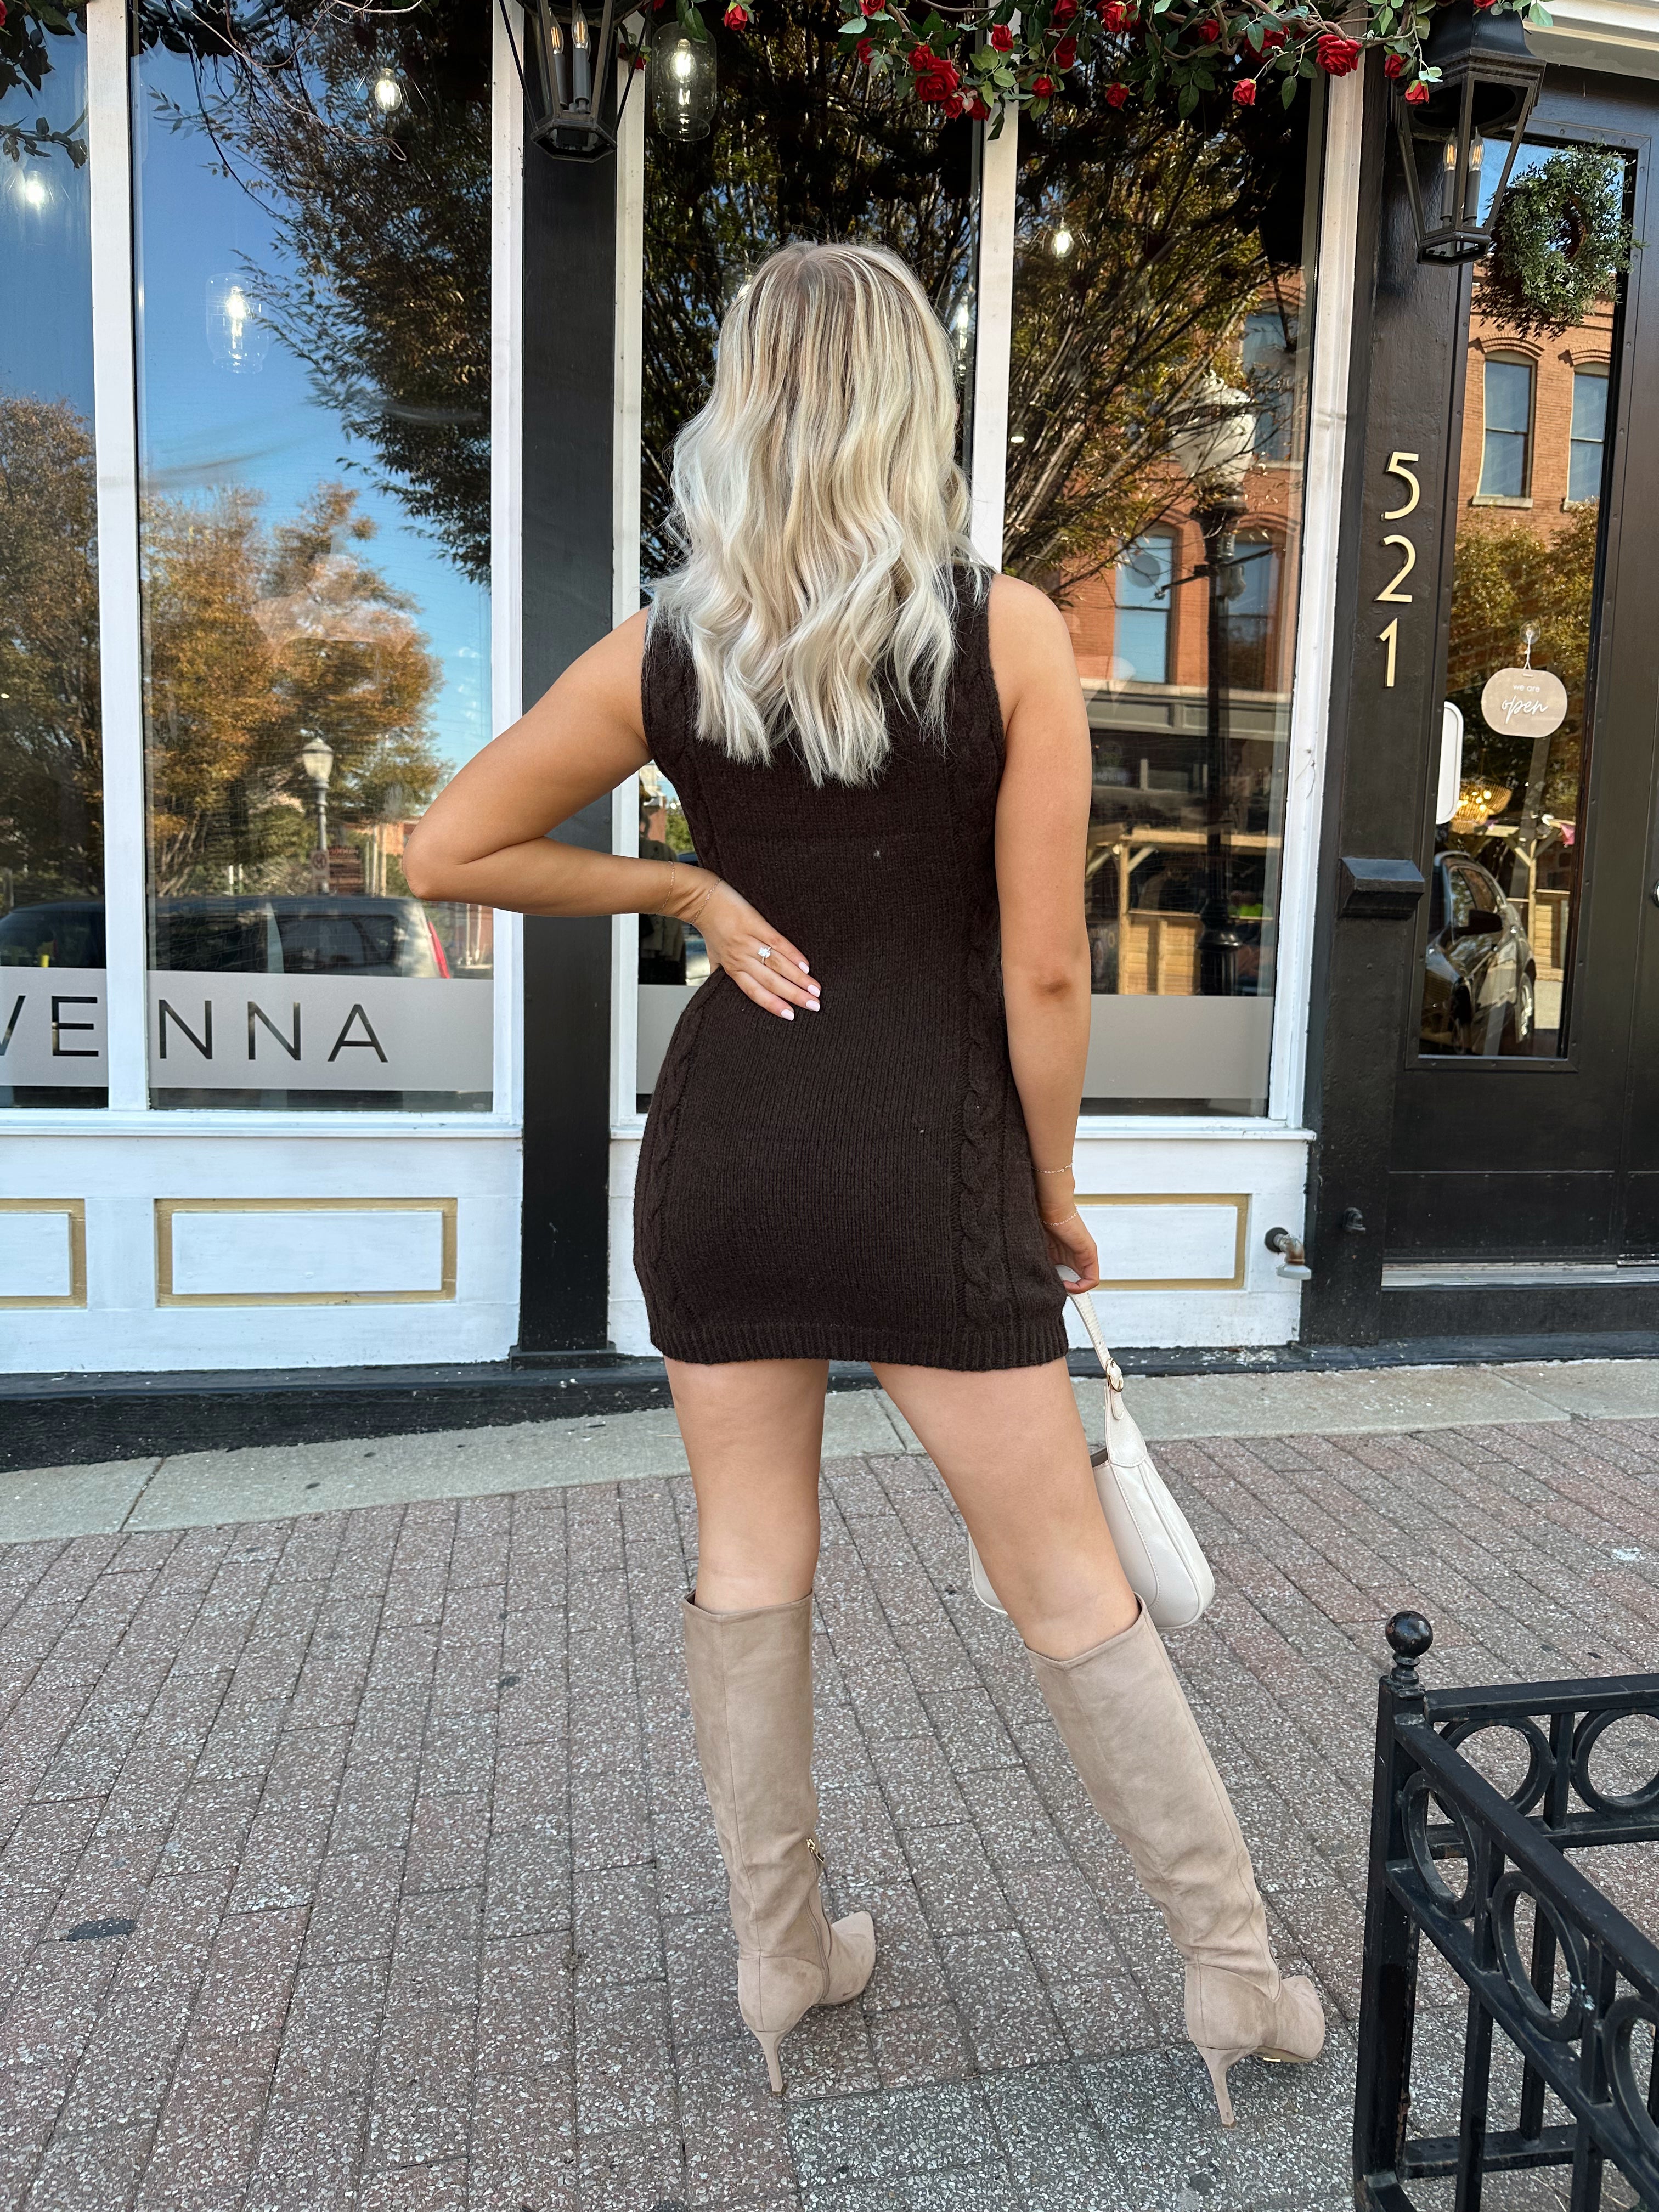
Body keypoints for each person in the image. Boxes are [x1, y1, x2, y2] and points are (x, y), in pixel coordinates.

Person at [404, 241, 1324, 2123]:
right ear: (917, 408)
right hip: (936, 1164)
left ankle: (783, 1954)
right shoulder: (1008, 637)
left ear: (742, 412)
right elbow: (1047, 968)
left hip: (729, 1154)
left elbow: (448, 850)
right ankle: (1233, 1976)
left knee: (750, 1563)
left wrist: (684, 886)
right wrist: (1053, 1189)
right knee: (1068, 1581)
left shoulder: (664, 653)